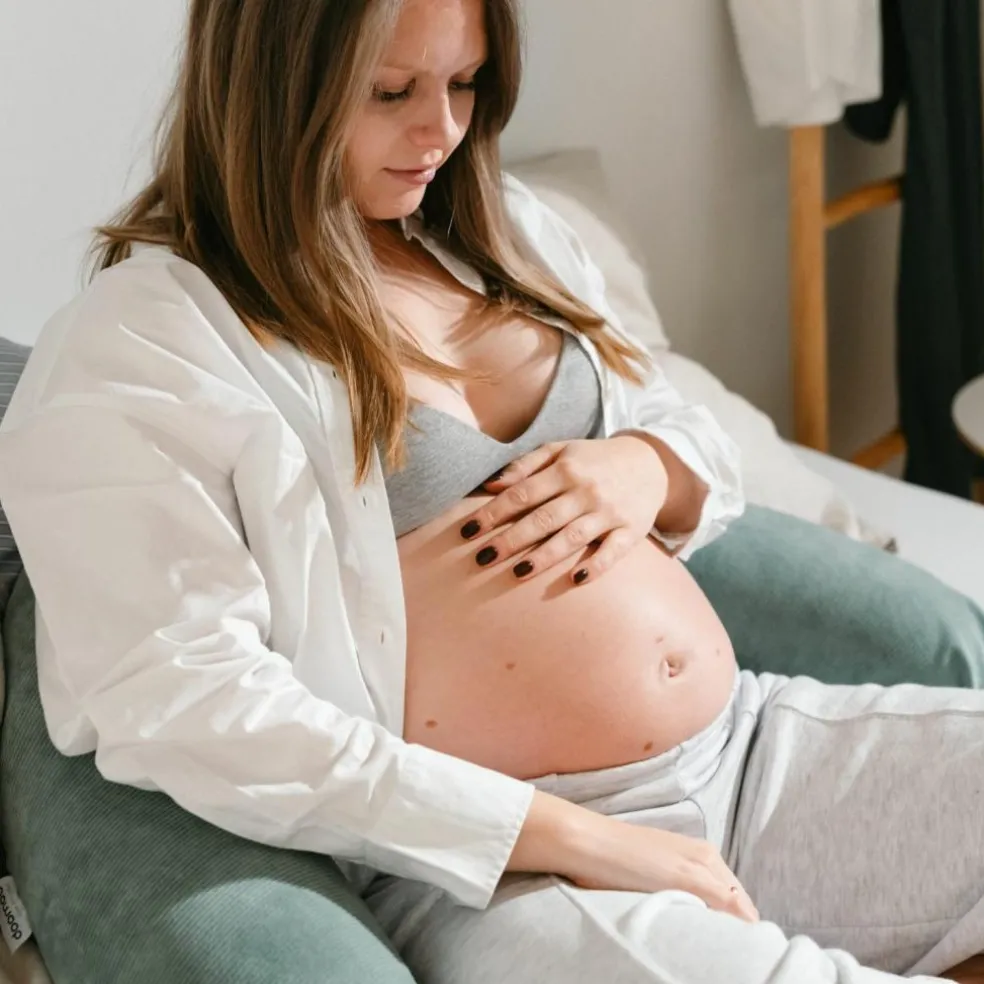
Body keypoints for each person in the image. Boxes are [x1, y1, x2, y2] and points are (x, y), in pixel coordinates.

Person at [2, 1, 984, 981]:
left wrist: (648, 470)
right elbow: (184, 702)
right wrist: (565, 837)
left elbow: (684, 428)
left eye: (464, 82)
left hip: (754, 752)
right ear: (271, 86)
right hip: (502, 872)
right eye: (392, 92)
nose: (442, 130)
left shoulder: (507, 230)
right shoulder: (142, 344)